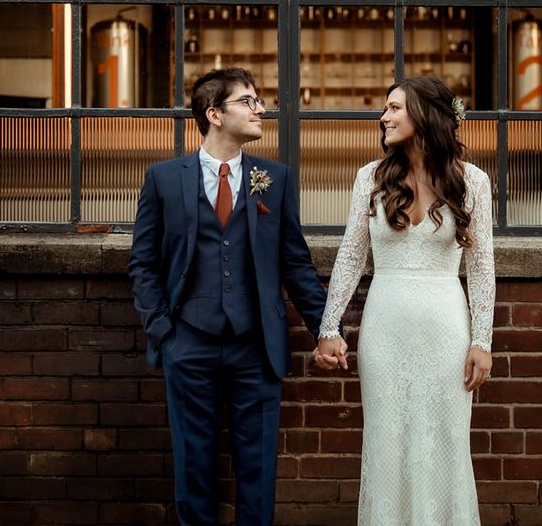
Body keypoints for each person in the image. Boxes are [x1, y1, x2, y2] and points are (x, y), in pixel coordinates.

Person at [128, 68, 328, 526]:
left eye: (260, 101)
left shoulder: (273, 178)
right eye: (249, 101)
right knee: (193, 464)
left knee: (257, 467)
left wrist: (325, 328)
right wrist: (163, 329)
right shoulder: (163, 178)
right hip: (188, 341)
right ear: (214, 114)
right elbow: (143, 263)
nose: (261, 109)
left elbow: (294, 262)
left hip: (255, 344)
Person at [314, 75, 495, 525]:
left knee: (446, 440)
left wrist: (482, 341)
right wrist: (329, 326)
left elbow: (481, 268)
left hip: (446, 329)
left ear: (424, 115)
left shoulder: (472, 182)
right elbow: (352, 256)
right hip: (385, 329)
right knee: (386, 439)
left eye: (395, 108)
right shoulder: (370, 179)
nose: (384, 117)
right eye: (386, 109)